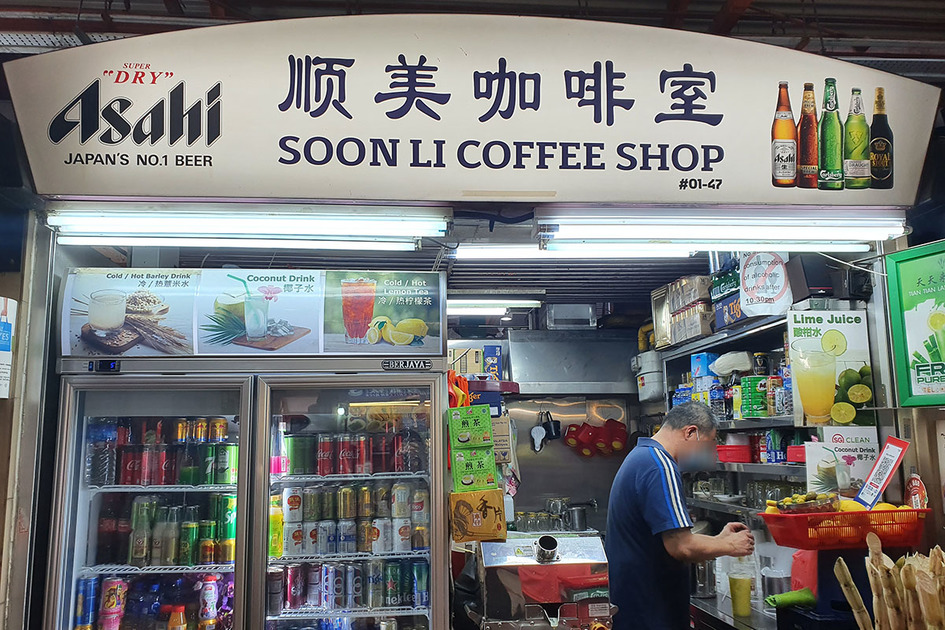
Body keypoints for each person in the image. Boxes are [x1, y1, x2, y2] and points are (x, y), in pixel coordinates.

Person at [606, 402, 755, 629]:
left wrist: (719, 540)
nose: (708, 455)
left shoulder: (641, 456)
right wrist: (731, 546)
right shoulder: (660, 467)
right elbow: (681, 546)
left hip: (634, 606)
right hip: (650, 613)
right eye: (707, 445)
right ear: (691, 432)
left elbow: (668, 537)